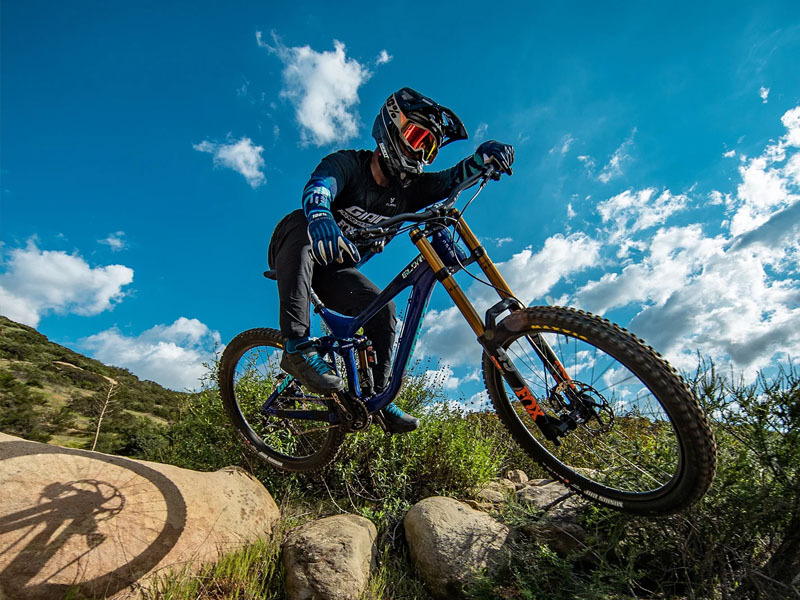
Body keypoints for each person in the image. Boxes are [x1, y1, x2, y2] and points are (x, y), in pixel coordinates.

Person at [267, 87, 514, 433]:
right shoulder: (348, 165)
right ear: (390, 129)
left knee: (384, 311)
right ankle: (295, 347)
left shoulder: (409, 191)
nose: (420, 152)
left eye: (428, 148)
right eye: (416, 137)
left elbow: (449, 180)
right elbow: (319, 186)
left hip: (334, 271)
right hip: (296, 248)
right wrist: (321, 215)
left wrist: (481, 160)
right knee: (299, 222)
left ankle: (378, 397)